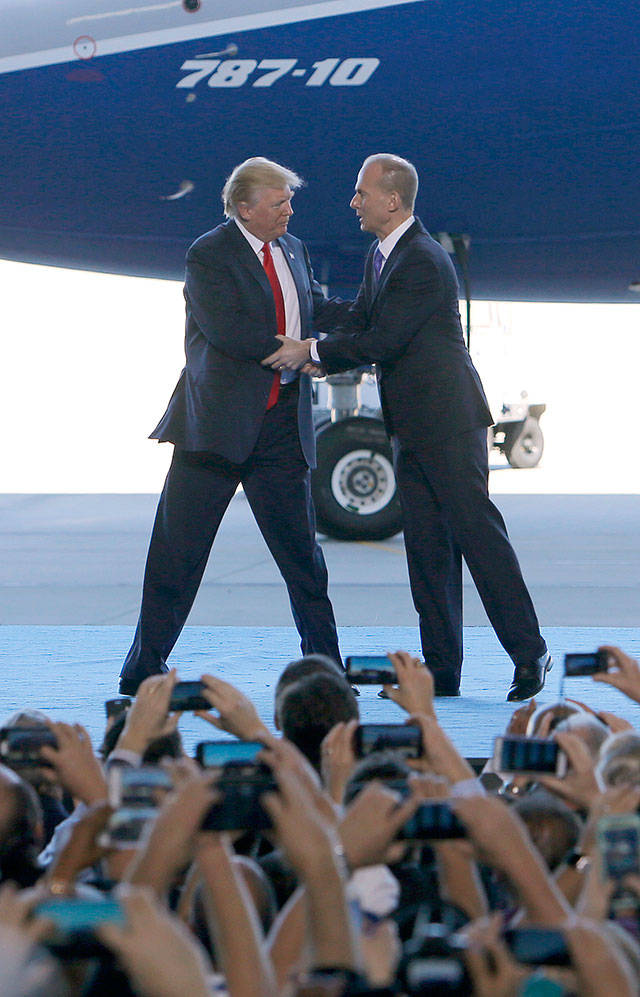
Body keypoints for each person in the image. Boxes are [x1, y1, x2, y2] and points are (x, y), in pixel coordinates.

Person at [264, 153, 550, 700]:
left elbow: (382, 339)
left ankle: (529, 650)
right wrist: (302, 308)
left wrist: (311, 350)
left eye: (361, 193)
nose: (354, 203)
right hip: (411, 426)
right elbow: (362, 318)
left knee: (478, 539)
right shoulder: (384, 254)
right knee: (427, 552)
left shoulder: (421, 258)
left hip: (447, 423)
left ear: (391, 200)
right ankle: (442, 669)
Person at [119, 157, 348, 694]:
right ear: (245, 208)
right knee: (178, 557)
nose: (289, 211)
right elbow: (230, 333)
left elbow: (313, 308)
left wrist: (366, 324)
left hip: (281, 431)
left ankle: (329, 671)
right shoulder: (209, 253)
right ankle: (141, 670)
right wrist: (299, 353)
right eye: (279, 203)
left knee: (304, 562)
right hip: (215, 431)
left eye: (290, 201)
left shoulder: (293, 248)